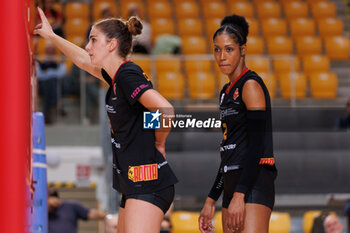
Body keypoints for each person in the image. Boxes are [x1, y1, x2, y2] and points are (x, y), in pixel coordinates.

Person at [35, 7, 178, 233]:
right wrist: (52, 36)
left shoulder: (127, 75)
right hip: (134, 183)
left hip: (148, 183)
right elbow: (83, 61)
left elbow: (165, 109)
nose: (88, 46)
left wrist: (159, 142)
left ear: (111, 44)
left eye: (93, 40)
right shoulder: (116, 78)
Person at [198, 15, 277, 233]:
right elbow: (228, 153)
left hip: (253, 183)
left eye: (229, 49)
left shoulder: (250, 85)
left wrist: (240, 195)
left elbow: (256, 146)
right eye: (217, 49)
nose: (222, 56)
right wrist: (211, 199)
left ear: (242, 49)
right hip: (232, 183)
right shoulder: (225, 93)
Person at [36, 43, 66, 124]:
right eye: (48, 51)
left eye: (52, 51)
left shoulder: (58, 61)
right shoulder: (41, 60)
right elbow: (38, 75)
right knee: (49, 83)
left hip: (54, 85)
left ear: (54, 52)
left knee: (51, 83)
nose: (50, 53)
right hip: (42, 85)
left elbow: (62, 73)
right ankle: (56, 105)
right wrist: (52, 71)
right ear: (46, 52)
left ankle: (47, 112)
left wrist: (48, 71)